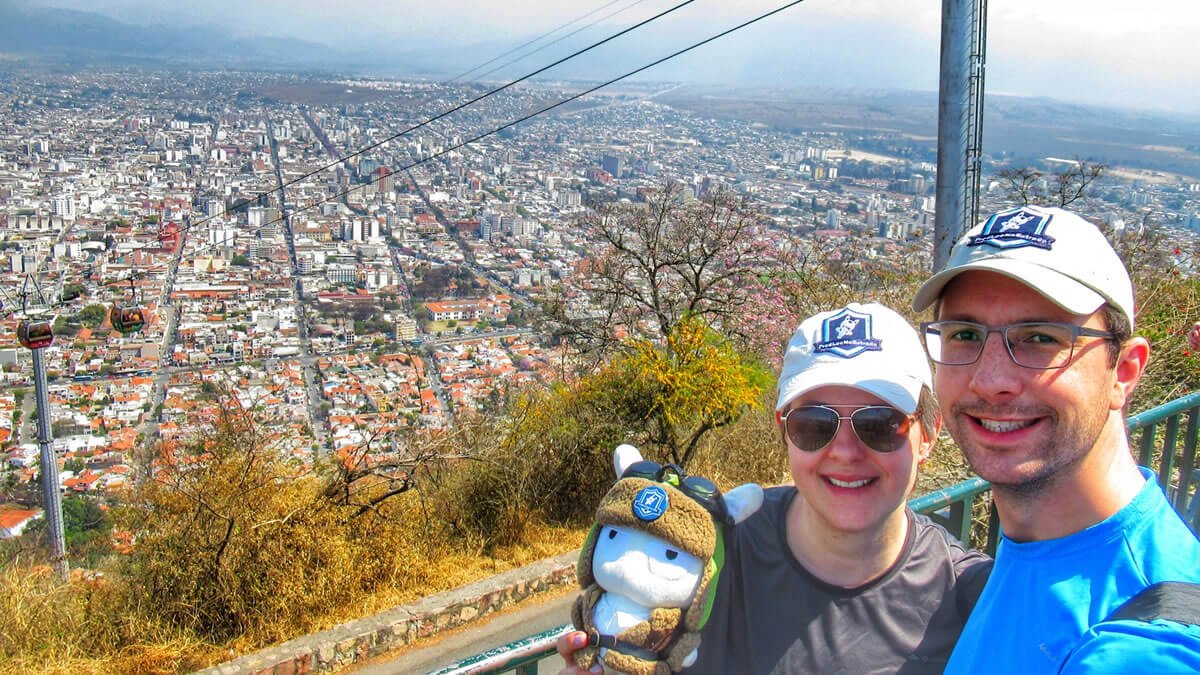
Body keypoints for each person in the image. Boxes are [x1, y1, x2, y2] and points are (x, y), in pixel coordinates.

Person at [558, 302, 992, 674]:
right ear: (784, 430)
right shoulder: (708, 553)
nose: (844, 451)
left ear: (929, 433)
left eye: (880, 425)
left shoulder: (973, 605)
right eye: (814, 425)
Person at [911, 204, 1200, 673]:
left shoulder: (1142, 647)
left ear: (1123, 372)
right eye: (965, 333)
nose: (990, 380)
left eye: (1040, 338)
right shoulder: (1041, 548)